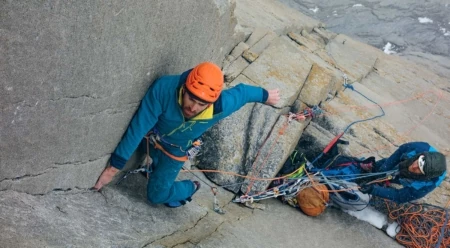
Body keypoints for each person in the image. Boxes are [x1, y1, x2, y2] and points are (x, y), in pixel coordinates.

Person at [93, 62, 281, 208]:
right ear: (184, 88)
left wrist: (266, 95)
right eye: (191, 98)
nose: (193, 107)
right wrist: (113, 168)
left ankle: (191, 187)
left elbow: (243, 93)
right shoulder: (164, 89)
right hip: (151, 137)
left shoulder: (222, 105)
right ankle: (155, 166)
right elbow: (138, 127)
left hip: (175, 150)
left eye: (201, 104)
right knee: (142, 145)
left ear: (211, 102)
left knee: (156, 195)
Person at [359, 142, 447, 203]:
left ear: (425, 175)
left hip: (416, 179)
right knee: (386, 167)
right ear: (420, 156)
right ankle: (382, 174)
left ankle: (389, 180)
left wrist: (373, 190)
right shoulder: (419, 148)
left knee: (399, 178)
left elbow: (399, 197)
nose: (414, 166)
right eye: (418, 162)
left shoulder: (426, 185)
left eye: (419, 169)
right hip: (410, 159)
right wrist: (384, 169)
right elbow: (401, 151)